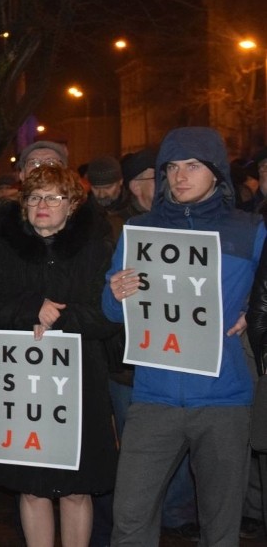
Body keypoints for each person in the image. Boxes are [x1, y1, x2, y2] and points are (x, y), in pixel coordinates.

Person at [103, 127, 266, 546]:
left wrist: (254, 310)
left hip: (225, 400)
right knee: (130, 518)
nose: (179, 176)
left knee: (221, 525)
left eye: (193, 166)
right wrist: (114, 292)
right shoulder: (138, 230)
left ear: (216, 172)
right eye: (171, 167)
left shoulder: (249, 230)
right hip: (153, 398)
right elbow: (109, 309)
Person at [0, 164, 118, 547]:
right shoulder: (3, 248)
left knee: (75, 488)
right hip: (23, 383)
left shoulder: (96, 249)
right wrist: (32, 309)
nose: (42, 205)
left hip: (81, 380)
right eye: (34, 197)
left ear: (72, 205)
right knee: (32, 487)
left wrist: (61, 318)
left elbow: (110, 316)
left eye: (53, 197)